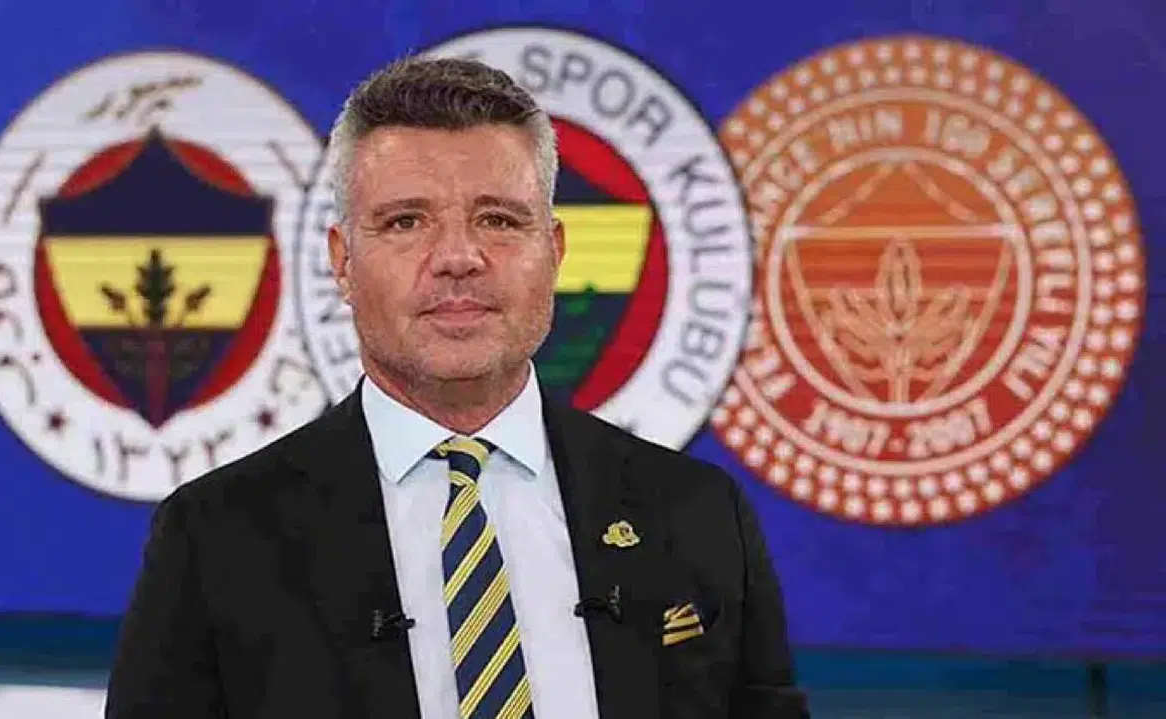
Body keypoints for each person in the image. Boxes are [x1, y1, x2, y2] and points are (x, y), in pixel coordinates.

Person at [105, 56, 809, 719]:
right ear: (343, 263)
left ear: (554, 251)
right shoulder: (216, 538)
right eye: (406, 222)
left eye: (498, 219)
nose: (458, 258)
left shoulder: (699, 515)